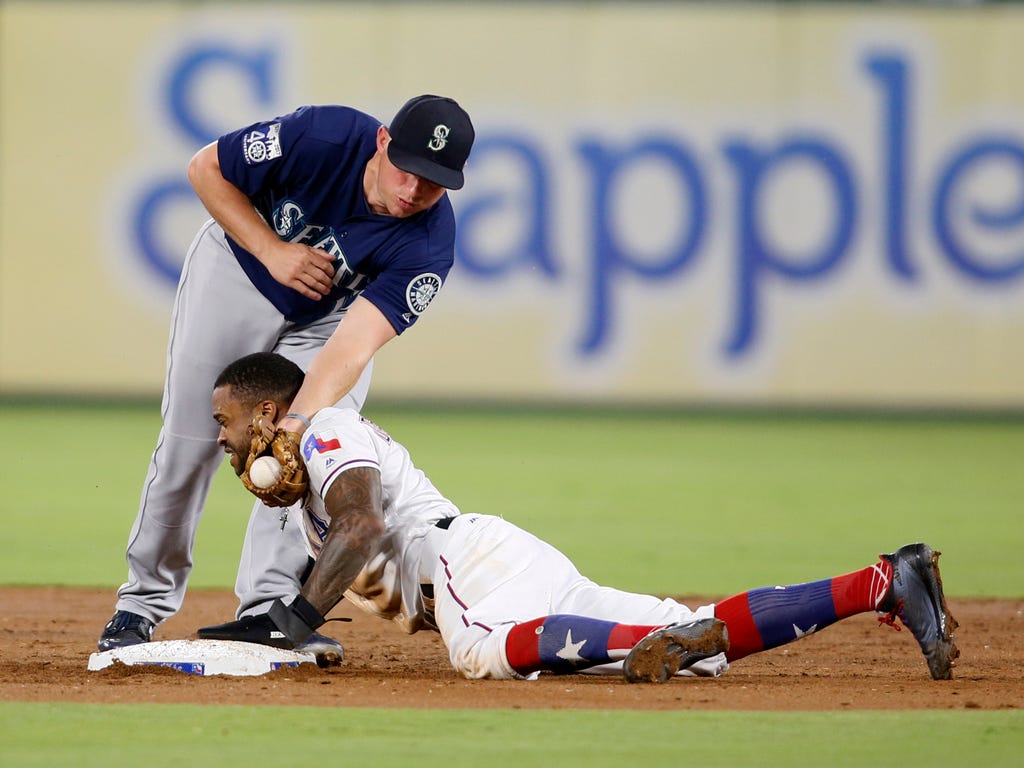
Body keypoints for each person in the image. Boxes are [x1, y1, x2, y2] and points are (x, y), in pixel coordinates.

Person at [198, 352, 960, 682]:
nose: (222, 438)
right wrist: (287, 623)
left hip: (467, 569)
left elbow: (361, 528)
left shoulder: (329, 428)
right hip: (503, 567)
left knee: (479, 655)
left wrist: (293, 621)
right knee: (704, 638)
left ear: (268, 411)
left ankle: (656, 643)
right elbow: (343, 538)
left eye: (225, 421)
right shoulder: (311, 484)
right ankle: (885, 581)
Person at [98, 95, 476, 654]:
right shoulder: (323, 136)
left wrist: (296, 424)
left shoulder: (429, 241)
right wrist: (273, 250)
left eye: (434, 182)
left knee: (311, 449)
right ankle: (140, 604)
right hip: (238, 269)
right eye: (409, 169)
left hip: (326, 321)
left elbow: (355, 343)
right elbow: (205, 168)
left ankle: (269, 611)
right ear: (381, 143)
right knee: (189, 443)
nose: (415, 191)